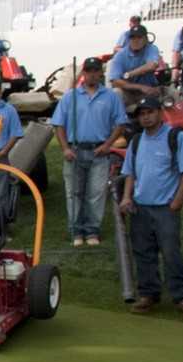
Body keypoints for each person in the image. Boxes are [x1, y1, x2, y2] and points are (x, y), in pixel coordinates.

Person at [120, 95, 183, 316]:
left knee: (171, 252)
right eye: (142, 114)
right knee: (143, 253)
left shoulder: (175, 136)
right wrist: (126, 197)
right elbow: (129, 173)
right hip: (140, 208)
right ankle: (148, 295)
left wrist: (178, 200)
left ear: (160, 113)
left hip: (166, 207)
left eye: (150, 112)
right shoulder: (136, 141)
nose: (146, 118)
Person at [49, 57, 126, 247]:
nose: (92, 74)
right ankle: (76, 231)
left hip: (99, 151)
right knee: (74, 193)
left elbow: (121, 123)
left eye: (95, 71)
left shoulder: (111, 97)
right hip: (75, 150)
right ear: (83, 73)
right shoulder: (70, 96)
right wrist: (65, 148)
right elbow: (58, 124)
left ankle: (92, 230)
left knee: (96, 193)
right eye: (88, 71)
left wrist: (108, 145)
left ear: (101, 73)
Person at [107, 26, 165, 104]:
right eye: (132, 38)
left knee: (172, 92)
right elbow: (115, 81)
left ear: (146, 39)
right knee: (116, 93)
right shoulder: (120, 55)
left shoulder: (151, 48)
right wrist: (140, 87)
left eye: (139, 37)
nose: (135, 40)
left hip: (150, 90)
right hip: (129, 92)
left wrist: (130, 74)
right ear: (129, 39)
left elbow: (152, 65)